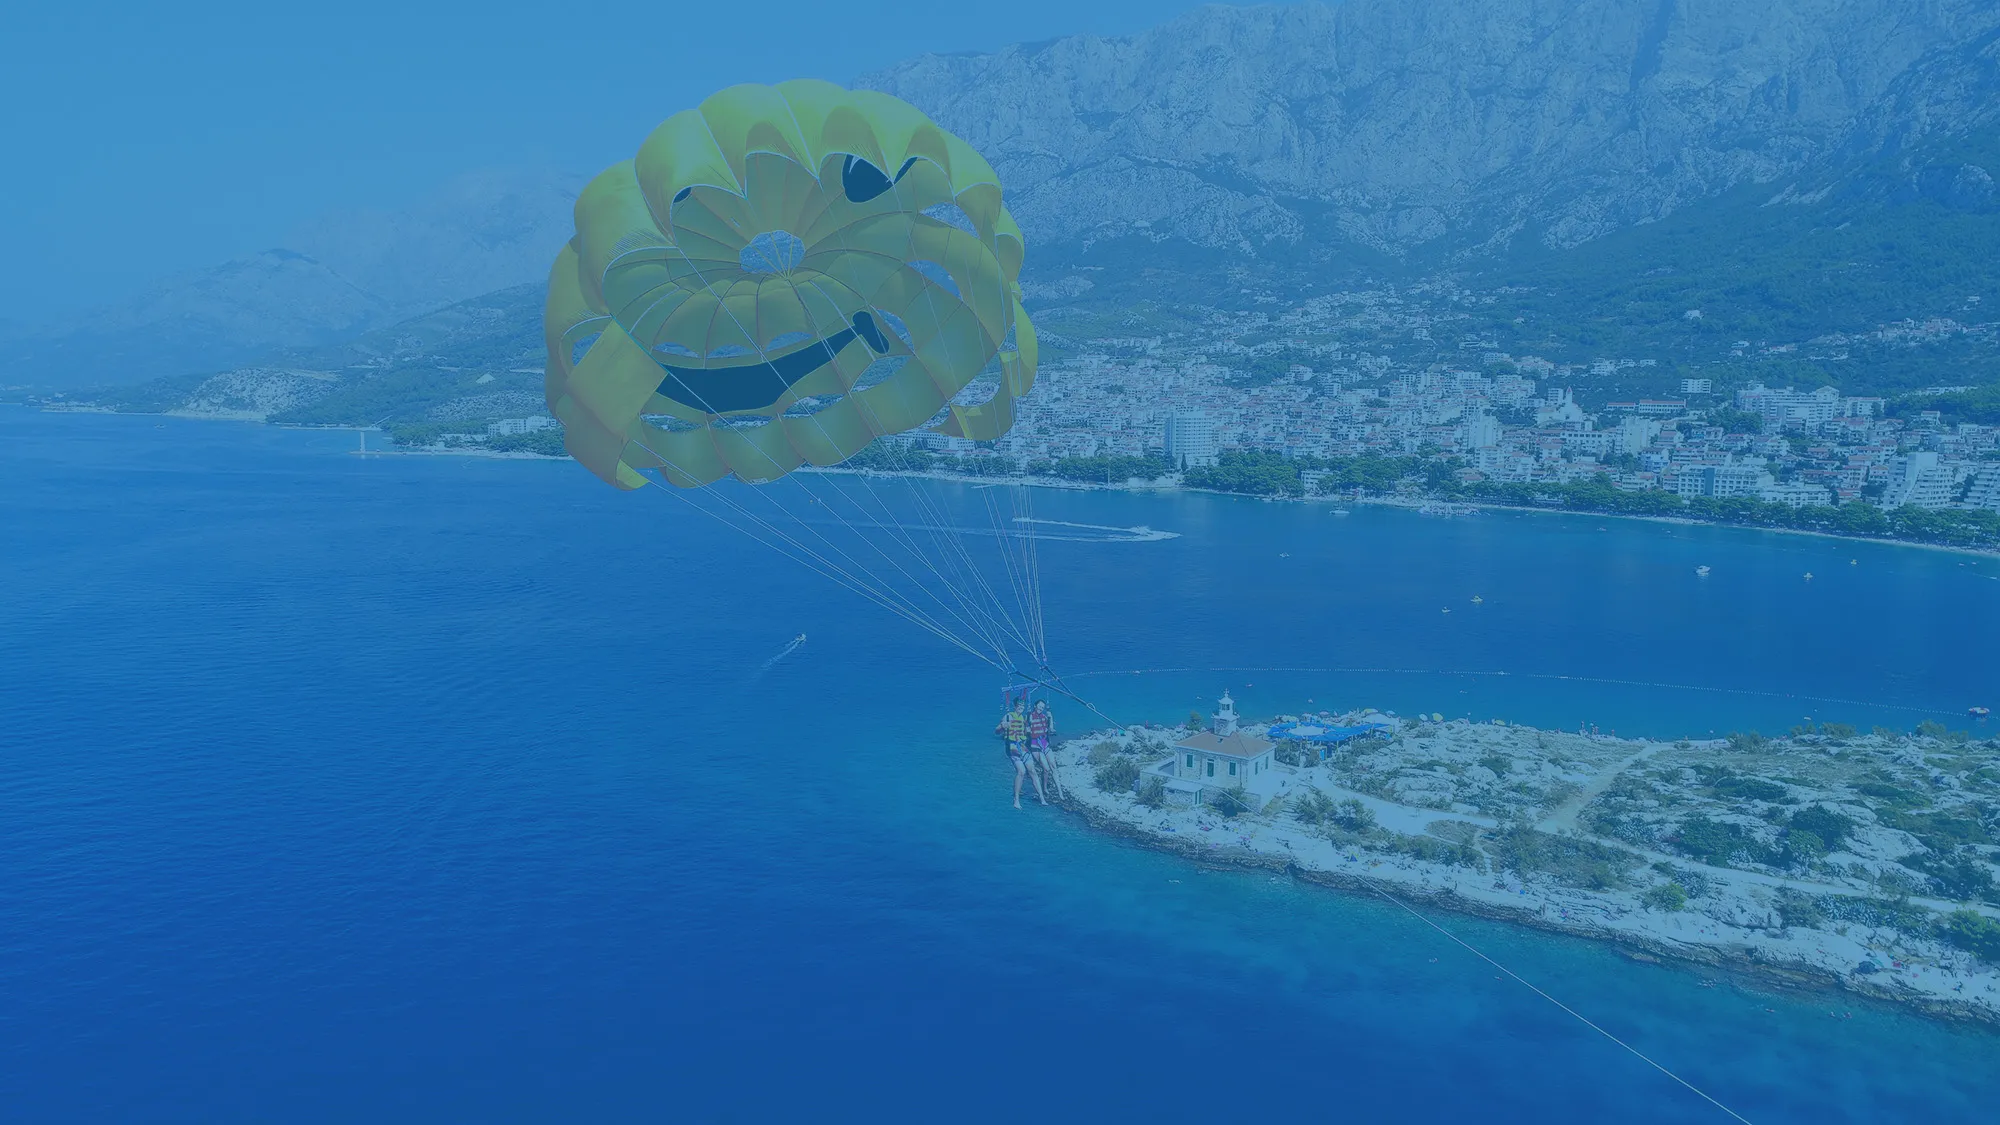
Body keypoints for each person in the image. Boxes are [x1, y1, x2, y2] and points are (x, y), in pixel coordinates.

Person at [996, 696, 1044, 809]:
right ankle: (1016, 800)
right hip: (1012, 748)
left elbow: (1027, 731)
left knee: (1032, 770)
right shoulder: (1008, 716)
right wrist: (1002, 727)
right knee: (1021, 771)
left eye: (1022, 706)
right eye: (1019, 706)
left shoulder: (1023, 718)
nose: (1021, 708)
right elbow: (997, 731)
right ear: (1015, 706)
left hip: (1022, 747)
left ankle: (1042, 798)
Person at [1028, 699, 1063, 799]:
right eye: (1039, 706)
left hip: (1045, 744)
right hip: (1035, 745)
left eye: (1042, 707)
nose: (1040, 709)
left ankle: (1060, 792)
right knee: (1046, 769)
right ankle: (1044, 788)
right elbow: (1028, 724)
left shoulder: (1044, 717)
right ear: (1035, 706)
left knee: (1053, 766)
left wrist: (1050, 717)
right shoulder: (1030, 715)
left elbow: (1051, 729)